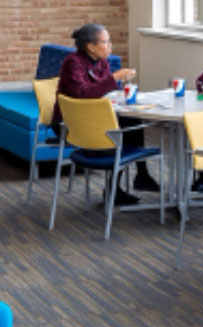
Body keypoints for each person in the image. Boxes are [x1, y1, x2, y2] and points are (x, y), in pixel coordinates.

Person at [52, 23, 159, 205]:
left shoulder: (102, 61)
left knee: (130, 121)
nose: (110, 47)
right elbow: (83, 93)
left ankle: (136, 177)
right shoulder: (73, 62)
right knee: (125, 131)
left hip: (93, 118)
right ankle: (120, 186)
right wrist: (115, 78)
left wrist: (117, 86)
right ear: (91, 46)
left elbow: (102, 92)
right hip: (72, 124)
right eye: (106, 42)